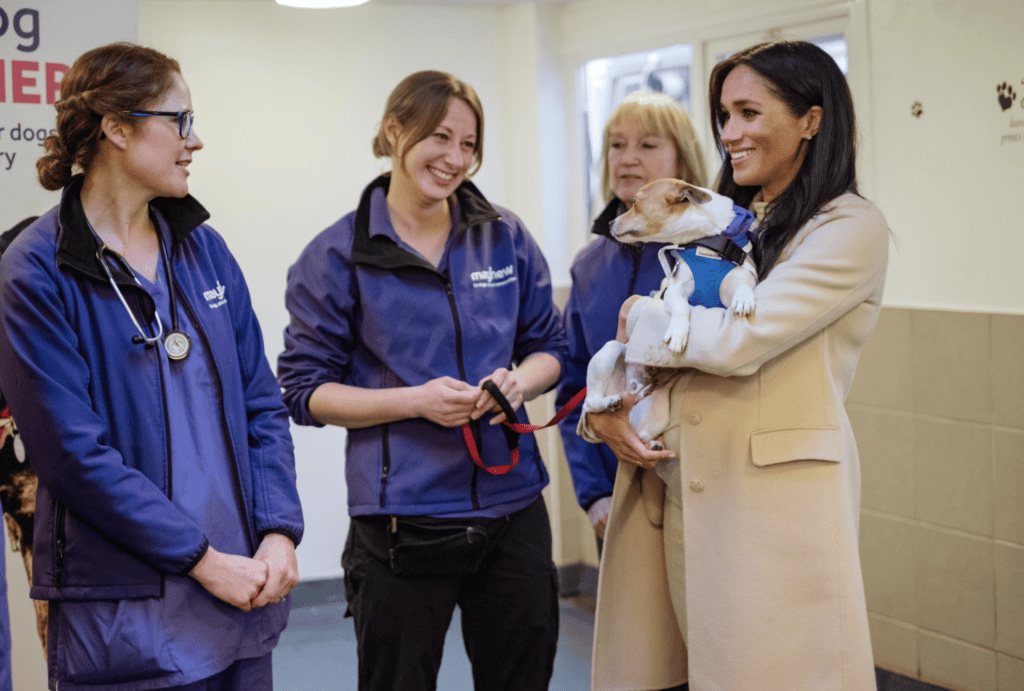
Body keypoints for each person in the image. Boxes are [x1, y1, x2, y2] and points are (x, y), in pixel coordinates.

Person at [583, 40, 889, 690]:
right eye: (724, 115)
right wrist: (602, 410)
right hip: (680, 495)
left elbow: (735, 341)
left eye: (749, 112)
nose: (729, 133)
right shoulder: (727, 226)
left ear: (811, 119)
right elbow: (655, 358)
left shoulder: (847, 228)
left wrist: (640, 314)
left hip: (768, 513)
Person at [0, 43, 303, 690]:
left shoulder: (203, 251)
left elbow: (262, 404)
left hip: (242, 593)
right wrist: (203, 561)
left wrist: (279, 530)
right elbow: (72, 455)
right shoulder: (35, 270)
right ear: (116, 127)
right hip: (127, 614)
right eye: (180, 120)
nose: (195, 140)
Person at [277, 70, 567, 691]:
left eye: (469, 144)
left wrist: (518, 384)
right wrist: (416, 402)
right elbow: (304, 392)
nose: (455, 158)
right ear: (394, 131)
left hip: (513, 506)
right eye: (440, 137)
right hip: (401, 522)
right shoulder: (335, 256)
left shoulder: (505, 236)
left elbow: (551, 347)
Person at [555, 91, 707, 545]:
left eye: (648, 145)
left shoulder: (715, 256)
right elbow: (574, 386)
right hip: (618, 494)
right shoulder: (588, 266)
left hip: (701, 488)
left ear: (682, 158)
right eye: (617, 145)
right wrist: (594, 494)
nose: (626, 158)